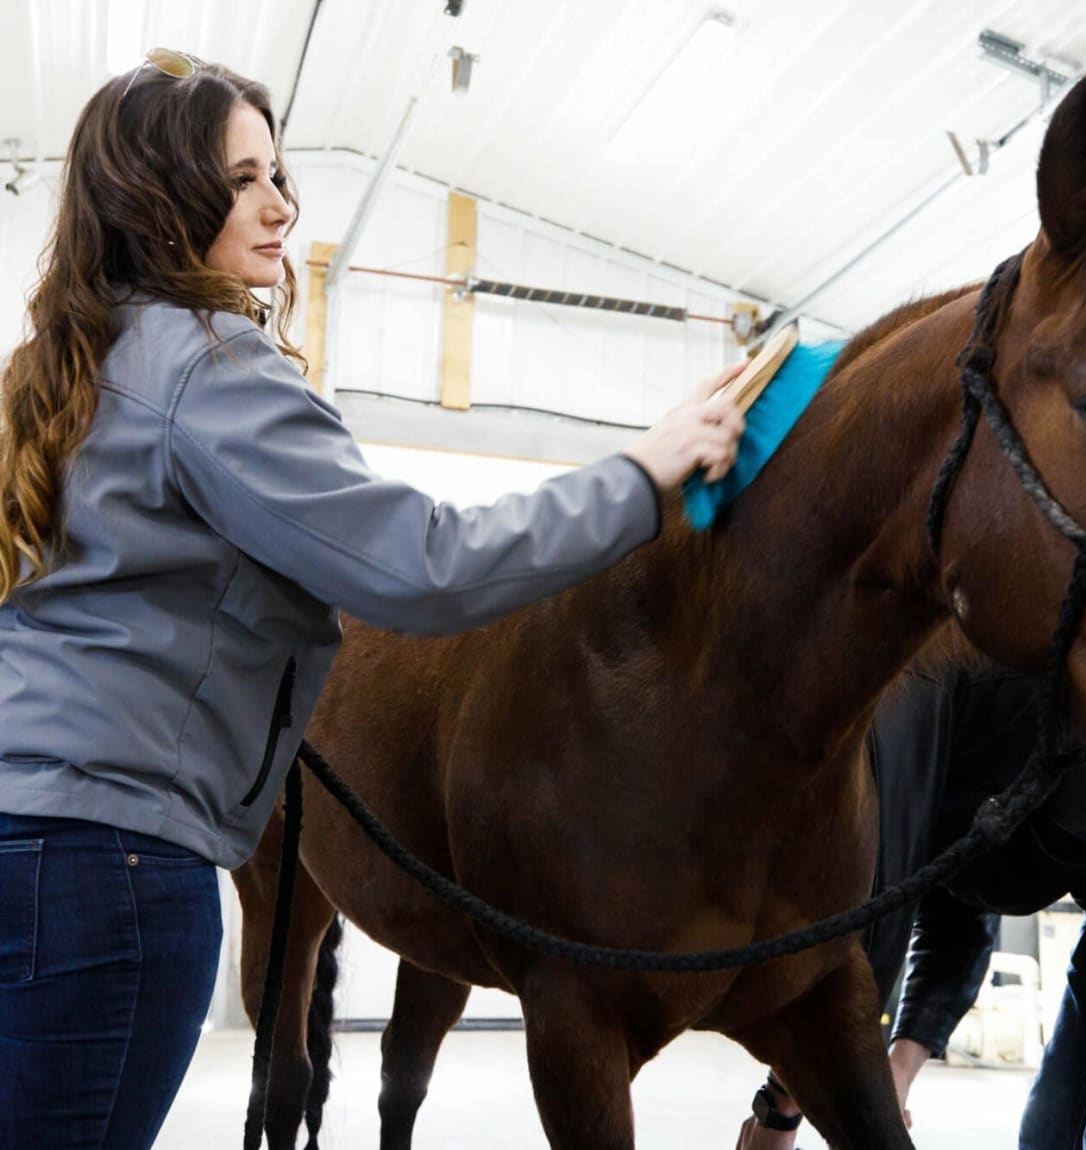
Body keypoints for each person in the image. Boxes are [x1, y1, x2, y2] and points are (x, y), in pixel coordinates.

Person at [0, 50, 746, 1149]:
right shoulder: (210, 365)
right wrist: (642, 475)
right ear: (157, 195)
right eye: (243, 178)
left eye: (277, 173)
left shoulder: (58, 372)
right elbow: (422, 564)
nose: (278, 202)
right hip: (108, 868)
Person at [734, 663, 1086, 1150]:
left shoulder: (905, 701)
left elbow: (867, 928)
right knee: (1051, 1133)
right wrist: (900, 1071)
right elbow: (957, 923)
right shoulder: (953, 765)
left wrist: (780, 1113)